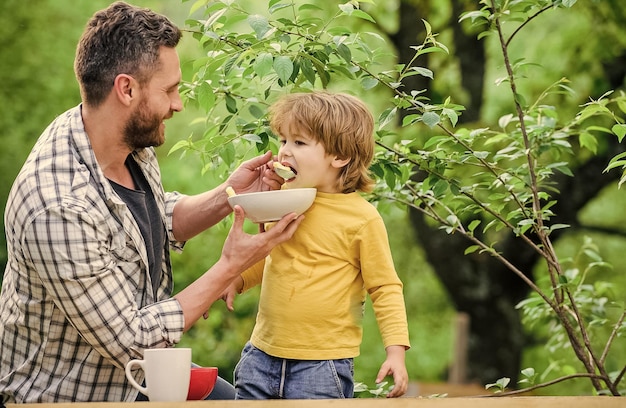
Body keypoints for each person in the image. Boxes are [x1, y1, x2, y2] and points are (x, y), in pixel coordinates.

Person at [0, 2, 303, 404]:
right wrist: (232, 264)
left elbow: (155, 217)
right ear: (126, 89)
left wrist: (231, 195)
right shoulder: (56, 205)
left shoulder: (120, 139)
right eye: (170, 90)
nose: (178, 104)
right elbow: (133, 340)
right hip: (76, 395)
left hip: (137, 376)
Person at [221, 91, 411, 399]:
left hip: (321, 365)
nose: (284, 152)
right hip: (260, 353)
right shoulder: (285, 201)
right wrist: (237, 278)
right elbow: (268, 253)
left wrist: (396, 353)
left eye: (299, 142)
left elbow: (385, 287)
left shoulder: (362, 218)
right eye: (283, 140)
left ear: (339, 156)